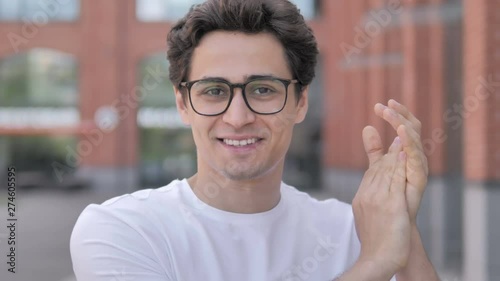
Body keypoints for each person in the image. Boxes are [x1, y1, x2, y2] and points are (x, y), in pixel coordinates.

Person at [70, 0, 440, 280]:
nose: (238, 117)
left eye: (262, 89)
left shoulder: (355, 229)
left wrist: (402, 228)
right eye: (214, 90)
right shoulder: (122, 228)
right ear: (183, 103)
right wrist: (372, 266)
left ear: (301, 102)